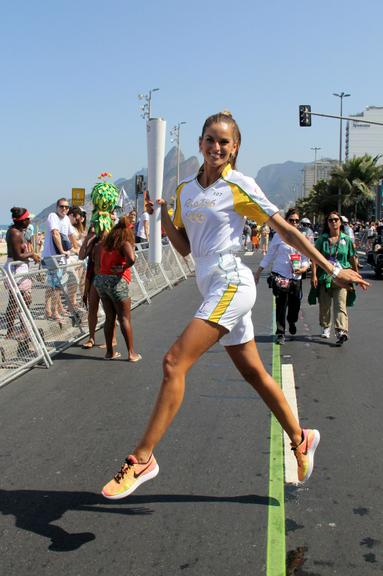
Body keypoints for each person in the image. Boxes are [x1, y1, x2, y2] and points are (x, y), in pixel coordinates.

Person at [101, 111, 369, 500]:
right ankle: (300, 437)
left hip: (232, 281)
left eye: (225, 142)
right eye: (210, 139)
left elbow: (287, 230)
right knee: (255, 375)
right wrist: (159, 215)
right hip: (209, 282)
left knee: (174, 362)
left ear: (235, 148)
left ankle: (143, 459)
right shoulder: (184, 191)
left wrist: (332, 267)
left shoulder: (239, 185)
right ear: (200, 143)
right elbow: (185, 248)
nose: (216, 147)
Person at [254, 208, 310, 344]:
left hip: (296, 277)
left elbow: (306, 257)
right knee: (281, 304)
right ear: (286, 221)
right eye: (291, 220)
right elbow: (270, 255)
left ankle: (292, 321)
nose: (294, 223)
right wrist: (259, 271)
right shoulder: (279, 236)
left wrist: (304, 268)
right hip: (281, 275)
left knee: (294, 304)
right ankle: (280, 332)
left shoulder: (302, 237)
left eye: (297, 221)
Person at [93, 215, 141, 361]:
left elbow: (98, 263)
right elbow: (131, 259)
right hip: (116, 282)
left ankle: (109, 352)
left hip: (101, 280)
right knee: (124, 318)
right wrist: (123, 267)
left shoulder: (105, 244)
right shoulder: (124, 242)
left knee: (109, 317)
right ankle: (131, 353)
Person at [311, 211, 358, 346]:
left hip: (342, 278)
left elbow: (352, 258)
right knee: (325, 305)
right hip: (325, 277)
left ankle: (341, 331)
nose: (333, 222)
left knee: (340, 304)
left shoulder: (347, 240)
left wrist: (355, 275)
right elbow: (314, 257)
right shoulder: (322, 239)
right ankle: (326, 326)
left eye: (336, 220)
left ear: (340, 222)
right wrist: (314, 274)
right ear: (327, 223)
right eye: (330, 220)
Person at [5, 207, 40, 339]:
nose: (29, 221)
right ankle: (11, 331)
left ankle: (22, 328)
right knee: (15, 301)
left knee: (24, 299)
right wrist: (32, 254)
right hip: (16, 269)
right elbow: (17, 256)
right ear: (22, 221)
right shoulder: (15, 233)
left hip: (19, 269)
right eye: (27, 219)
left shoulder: (17, 231)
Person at [42, 198, 77, 321]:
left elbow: (71, 235)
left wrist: (77, 248)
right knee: (55, 285)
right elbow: (55, 233)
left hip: (60, 257)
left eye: (67, 207)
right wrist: (62, 251)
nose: (64, 209)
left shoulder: (66, 219)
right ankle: (54, 311)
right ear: (57, 207)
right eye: (62, 206)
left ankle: (49, 310)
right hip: (52, 256)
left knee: (54, 284)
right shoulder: (53, 216)